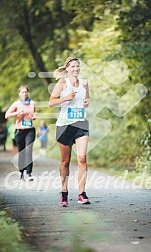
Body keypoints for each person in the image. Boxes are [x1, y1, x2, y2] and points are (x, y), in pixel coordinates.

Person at [49, 56, 91, 207]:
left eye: (77, 66)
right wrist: (65, 98)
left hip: (81, 124)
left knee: (82, 159)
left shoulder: (85, 83)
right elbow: (51, 102)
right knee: (65, 161)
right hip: (65, 125)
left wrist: (87, 102)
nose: (76, 69)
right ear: (67, 69)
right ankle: (64, 192)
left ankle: (82, 193)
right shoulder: (62, 83)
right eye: (72, 66)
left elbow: (86, 100)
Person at [5, 85, 36, 181]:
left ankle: (29, 173)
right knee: (22, 152)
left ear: (28, 93)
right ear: (19, 93)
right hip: (19, 130)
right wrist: (17, 113)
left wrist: (33, 116)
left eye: (26, 92)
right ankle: (21, 172)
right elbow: (7, 115)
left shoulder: (32, 103)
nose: (24, 94)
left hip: (30, 129)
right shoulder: (16, 104)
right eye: (22, 92)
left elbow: (34, 114)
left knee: (29, 150)